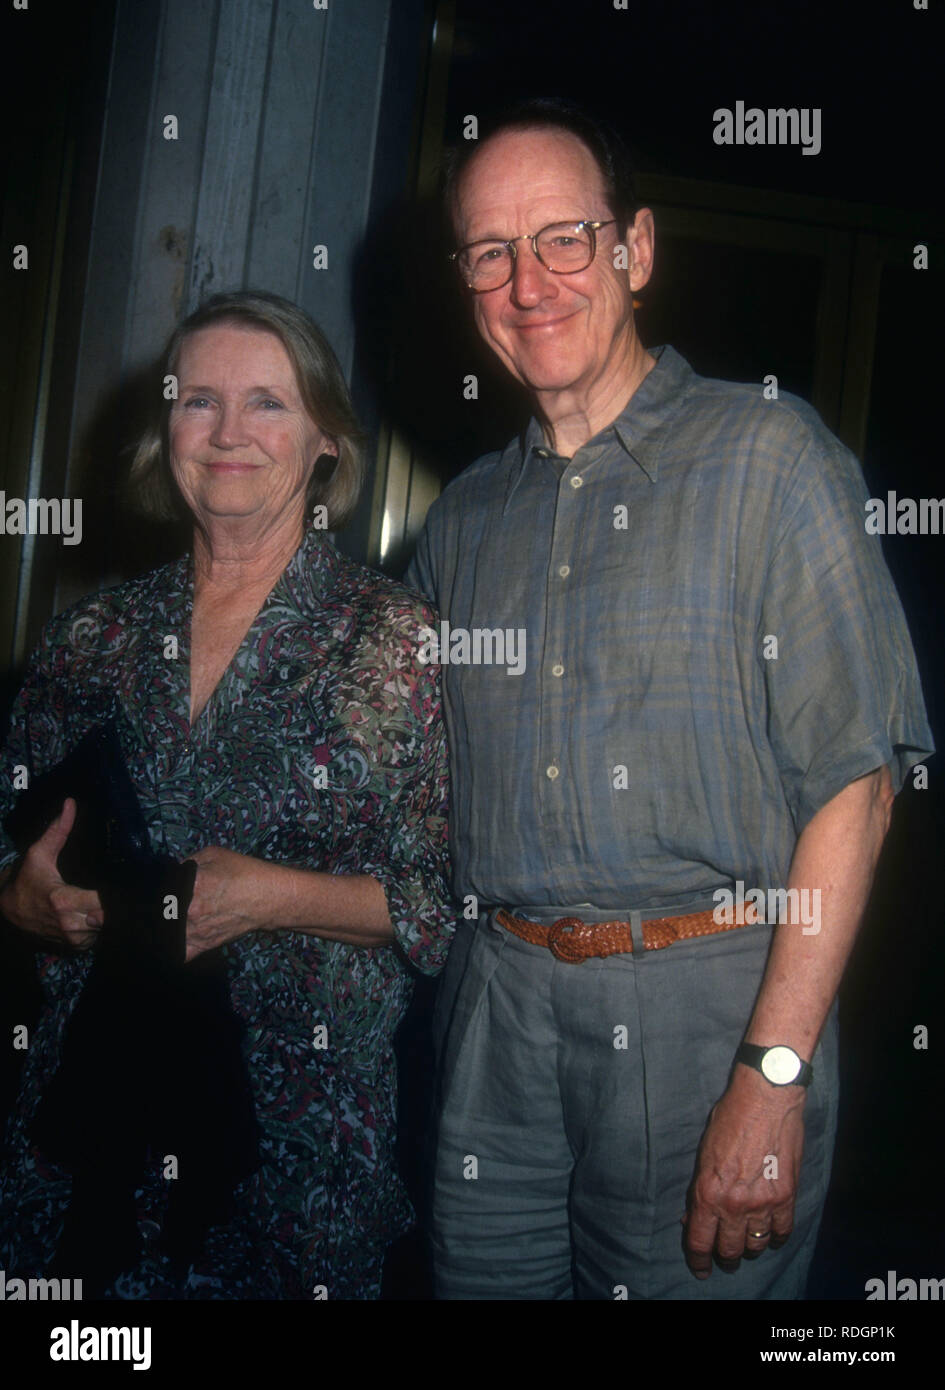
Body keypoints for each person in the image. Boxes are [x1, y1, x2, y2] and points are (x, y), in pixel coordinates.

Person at [405, 99, 933, 1300]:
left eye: (565, 239)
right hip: (496, 1020)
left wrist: (773, 1072)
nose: (528, 281)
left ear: (636, 250)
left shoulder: (771, 458)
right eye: (491, 250)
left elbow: (855, 790)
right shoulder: (461, 522)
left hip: (709, 1015)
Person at [0, 289, 456, 1300]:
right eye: (198, 400)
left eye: (268, 404)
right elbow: (8, 823)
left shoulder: (397, 643)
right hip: (88, 1128)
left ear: (328, 438)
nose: (229, 432)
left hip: (294, 1150)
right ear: (165, 430)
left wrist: (277, 896)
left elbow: (450, 900)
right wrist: (18, 896)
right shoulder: (96, 635)